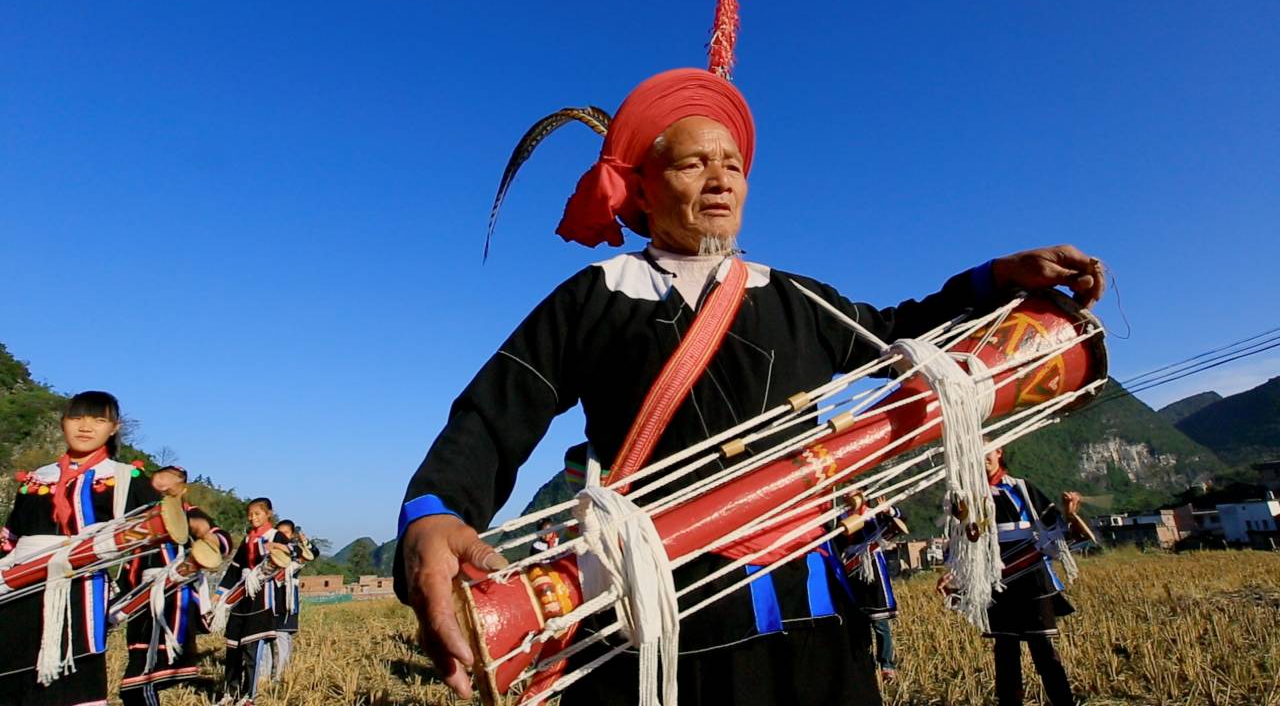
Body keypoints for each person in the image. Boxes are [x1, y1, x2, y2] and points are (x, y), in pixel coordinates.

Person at [393, 67, 1105, 706]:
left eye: (733, 164)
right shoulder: (599, 294)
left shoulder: (794, 298)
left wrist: (996, 280)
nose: (722, 178)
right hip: (653, 625)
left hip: (812, 621)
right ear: (642, 184)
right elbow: (493, 414)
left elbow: (902, 343)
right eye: (695, 162)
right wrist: (433, 511)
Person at [0, 391, 161, 706]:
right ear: (62, 423)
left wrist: (123, 605)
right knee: (12, 672)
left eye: (98, 419)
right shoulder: (35, 480)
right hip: (19, 592)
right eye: (77, 418)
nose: (85, 427)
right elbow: (11, 541)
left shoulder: (126, 479)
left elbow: (153, 542)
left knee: (73, 678)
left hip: (79, 593)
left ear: (113, 428)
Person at [982, 445, 1083, 706]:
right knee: (1005, 655)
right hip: (998, 584)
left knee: (1044, 652)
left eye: (987, 452)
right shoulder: (971, 498)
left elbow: (1058, 528)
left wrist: (1071, 514)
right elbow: (964, 544)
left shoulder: (1022, 489)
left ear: (999, 451)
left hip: (1033, 580)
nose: (983, 459)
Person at [118, 465, 206, 706]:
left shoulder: (189, 512)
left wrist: (207, 542)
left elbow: (219, 539)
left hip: (169, 595)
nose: (165, 482)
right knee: (138, 678)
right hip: (139, 597)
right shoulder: (142, 514)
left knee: (139, 680)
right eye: (161, 476)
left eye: (173, 479)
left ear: (183, 487)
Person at [217, 497, 289, 704]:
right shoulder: (248, 539)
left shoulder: (275, 536)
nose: (253, 518)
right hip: (241, 594)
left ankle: (249, 695)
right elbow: (235, 567)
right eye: (250, 514)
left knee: (251, 649)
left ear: (268, 514)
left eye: (257, 513)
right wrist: (220, 593)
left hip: (261, 596)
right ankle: (230, 692)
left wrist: (281, 548)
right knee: (233, 647)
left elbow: (295, 553)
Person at [840, 495, 901, 683]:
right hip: (850, 567)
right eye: (846, 491)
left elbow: (899, 520)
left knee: (880, 620)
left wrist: (888, 511)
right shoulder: (840, 515)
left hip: (872, 567)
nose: (848, 495)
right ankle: (863, 662)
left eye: (853, 491)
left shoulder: (873, 513)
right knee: (858, 621)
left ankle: (887, 665)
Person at [268, 519, 316, 680]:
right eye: (279, 533)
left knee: (283, 637)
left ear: (292, 535)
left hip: (287, 602)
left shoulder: (296, 552)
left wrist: (305, 542)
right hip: (271, 600)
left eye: (286, 533)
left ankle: (280, 674)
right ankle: (270, 674)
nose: (282, 536)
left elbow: (312, 553)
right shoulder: (270, 552)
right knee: (271, 638)